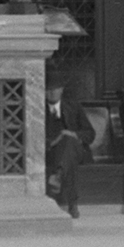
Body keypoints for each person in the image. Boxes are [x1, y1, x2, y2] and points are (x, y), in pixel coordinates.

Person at [45, 79, 91, 218]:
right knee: (68, 161)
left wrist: (73, 134)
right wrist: (55, 141)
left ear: (61, 90)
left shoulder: (73, 107)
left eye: (56, 89)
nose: (52, 92)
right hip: (51, 151)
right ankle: (73, 204)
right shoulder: (37, 109)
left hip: (76, 150)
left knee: (69, 142)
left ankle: (58, 176)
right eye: (48, 89)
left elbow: (90, 133)